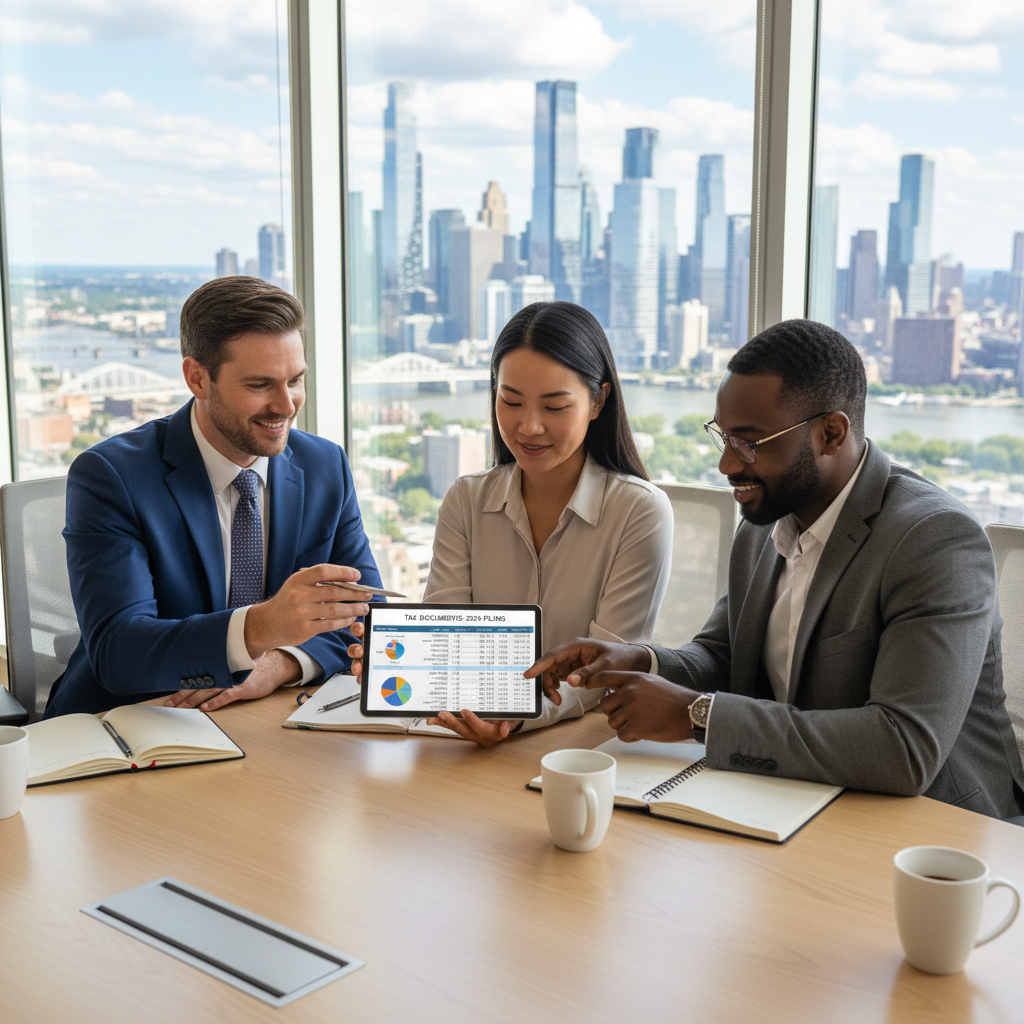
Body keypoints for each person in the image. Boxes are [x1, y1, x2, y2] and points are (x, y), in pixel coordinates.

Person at [528, 318, 1024, 818]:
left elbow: (902, 747)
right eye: (722, 437)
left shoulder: (935, 541)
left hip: (932, 827)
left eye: (748, 442)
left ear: (831, 433)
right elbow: (723, 656)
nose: (726, 464)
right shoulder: (764, 526)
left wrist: (697, 717)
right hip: (792, 799)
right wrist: (640, 661)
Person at [45, 276, 381, 718]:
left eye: (295, 380)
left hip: (261, 720)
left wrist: (278, 664)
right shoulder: (112, 476)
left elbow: (369, 615)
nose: (286, 405)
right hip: (130, 722)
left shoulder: (324, 467)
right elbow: (118, 651)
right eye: (260, 385)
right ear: (197, 378)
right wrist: (259, 630)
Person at [349, 301, 673, 746]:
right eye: (511, 401)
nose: (529, 426)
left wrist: (513, 718)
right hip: (464, 745)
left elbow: (602, 673)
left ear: (598, 401)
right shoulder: (465, 500)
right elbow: (447, 640)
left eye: (555, 406)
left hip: (580, 748)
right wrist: (406, 666)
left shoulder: (640, 511)